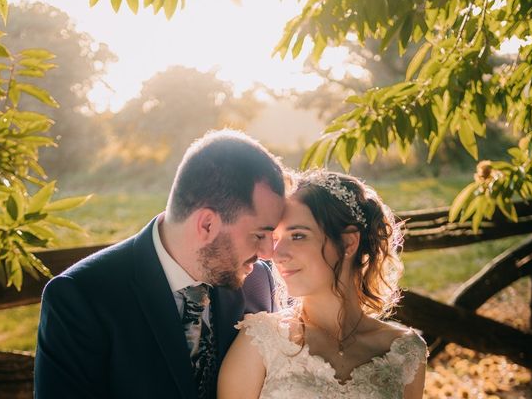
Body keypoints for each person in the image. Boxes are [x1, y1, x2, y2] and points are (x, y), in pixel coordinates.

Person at [34, 130, 286, 399]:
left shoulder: (259, 282)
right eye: (259, 235)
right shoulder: (80, 297)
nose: (268, 252)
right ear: (207, 224)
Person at [218, 170, 427, 399]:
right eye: (275, 239)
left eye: (297, 236)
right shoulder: (259, 340)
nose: (277, 255)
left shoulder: (405, 352)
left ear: (348, 242)